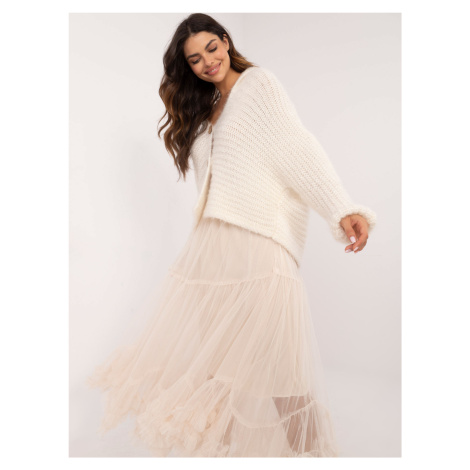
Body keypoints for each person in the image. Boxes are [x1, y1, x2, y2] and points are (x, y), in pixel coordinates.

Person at [86, 13, 377, 458]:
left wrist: (342, 208)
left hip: (258, 247)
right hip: (214, 254)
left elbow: (297, 147)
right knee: (219, 371)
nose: (207, 62)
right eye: (195, 59)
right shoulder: (204, 110)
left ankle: (312, 458)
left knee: (280, 372)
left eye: (211, 48)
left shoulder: (258, 86)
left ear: (225, 41)